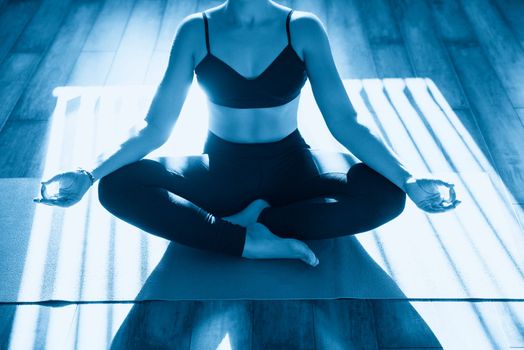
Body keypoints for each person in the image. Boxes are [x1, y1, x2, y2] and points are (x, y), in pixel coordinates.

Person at [33, 0, 460, 267]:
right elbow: (154, 126)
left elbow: (345, 122)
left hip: (293, 170)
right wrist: (87, 174)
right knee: (118, 185)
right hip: (221, 173)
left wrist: (409, 179)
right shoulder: (195, 29)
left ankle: (247, 224)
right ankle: (252, 242)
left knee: (386, 195)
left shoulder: (303, 27)